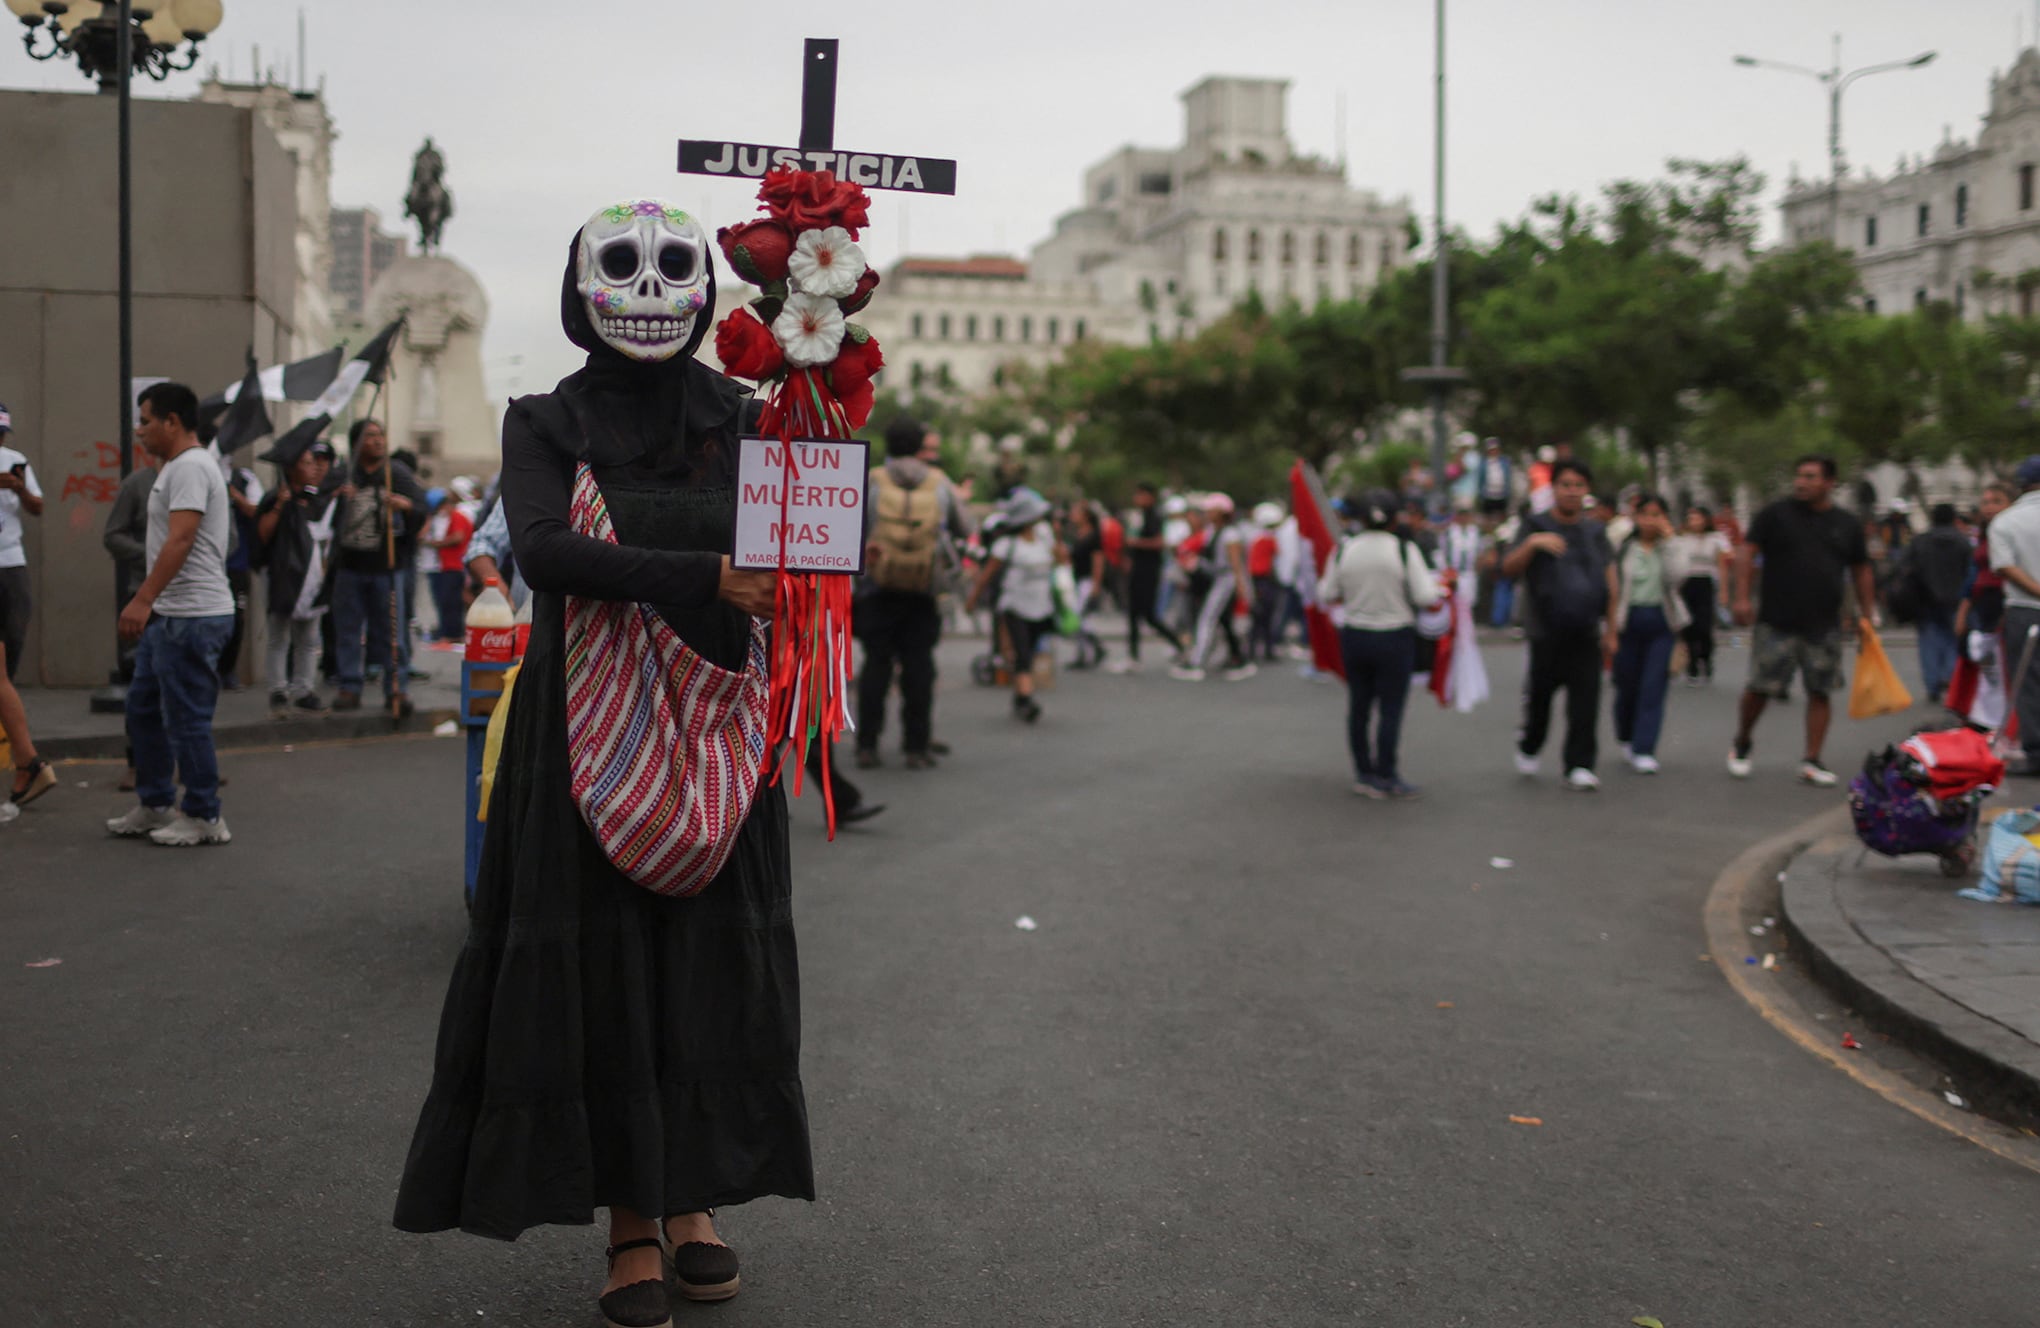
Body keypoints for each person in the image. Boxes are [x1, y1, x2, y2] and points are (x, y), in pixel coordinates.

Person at [394, 202, 810, 1320]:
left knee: (708, 970)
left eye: (673, 264)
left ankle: (696, 1205)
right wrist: (705, 577)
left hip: (721, 716)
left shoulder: (749, 415)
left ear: (704, 290)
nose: (648, 285)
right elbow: (542, 552)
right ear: (583, 286)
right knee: (607, 972)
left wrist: (821, 349)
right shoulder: (545, 420)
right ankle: (631, 1222)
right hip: (585, 722)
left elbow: (806, 538)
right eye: (621, 263)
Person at [106, 381, 236, 846]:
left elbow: (180, 539)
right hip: (172, 616)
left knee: (186, 720)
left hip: (194, 617)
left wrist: (142, 598)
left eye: (145, 421)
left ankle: (204, 815)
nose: (139, 431)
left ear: (172, 423)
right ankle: (156, 802)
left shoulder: (190, 467)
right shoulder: (180, 467)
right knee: (143, 710)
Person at [1729, 455, 1877, 786]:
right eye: (1799, 476)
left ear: (1829, 483)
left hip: (1824, 623)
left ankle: (1811, 759)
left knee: (1820, 691)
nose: (1801, 483)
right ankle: (1742, 742)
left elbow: (1861, 570)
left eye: (1810, 477)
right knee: (1760, 688)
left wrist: (1868, 614)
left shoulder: (1846, 524)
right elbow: (1747, 551)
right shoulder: (1775, 515)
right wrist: (1740, 597)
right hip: (1777, 619)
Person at [856, 414, 966, 768]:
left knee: (876, 666)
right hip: (922, 591)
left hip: (877, 588)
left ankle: (867, 745)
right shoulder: (939, 483)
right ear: (920, 446)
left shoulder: (871, 479)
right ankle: (915, 747)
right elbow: (966, 527)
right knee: (919, 668)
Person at [1500, 459, 1617, 791]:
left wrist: (1612, 628)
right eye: (1565, 484)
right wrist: (1532, 544)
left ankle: (1579, 765)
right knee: (1540, 699)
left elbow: (1611, 579)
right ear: (1553, 488)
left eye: (1578, 485)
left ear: (1587, 491)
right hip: (1545, 631)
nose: (1572, 491)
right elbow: (1508, 568)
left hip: (1586, 630)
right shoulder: (1534, 523)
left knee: (1586, 701)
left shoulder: (1596, 531)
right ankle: (1530, 744)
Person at [1318, 488, 1441, 799]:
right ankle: (1387, 773)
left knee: (1359, 706)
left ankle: (1364, 772)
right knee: (1391, 708)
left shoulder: (1345, 549)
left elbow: (1327, 593)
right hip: (1394, 635)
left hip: (1355, 634)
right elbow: (1426, 596)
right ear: (1394, 517)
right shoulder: (1403, 549)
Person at [330, 418, 425, 715]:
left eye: (380, 435)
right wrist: (336, 500)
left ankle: (397, 687)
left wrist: (405, 506)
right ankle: (349, 685)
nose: (378, 441)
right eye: (370, 436)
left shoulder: (395, 473)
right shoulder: (343, 475)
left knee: (392, 632)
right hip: (349, 567)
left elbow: (421, 507)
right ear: (357, 442)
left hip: (388, 567)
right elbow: (319, 511)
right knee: (348, 629)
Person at [254, 435, 338, 718]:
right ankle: (278, 689)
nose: (313, 466)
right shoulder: (275, 498)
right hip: (283, 577)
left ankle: (304, 689)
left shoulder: (316, 499)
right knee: (280, 635)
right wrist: (280, 505)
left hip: (312, 578)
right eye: (306, 462)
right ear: (291, 468)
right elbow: (262, 534)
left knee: (309, 638)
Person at [1608, 494, 1688, 775]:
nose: (1651, 521)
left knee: (1652, 686)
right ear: (1636, 517)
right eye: (1646, 514)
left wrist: (1669, 544)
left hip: (1660, 622)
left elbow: (1678, 578)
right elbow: (1612, 585)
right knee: (1627, 685)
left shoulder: (1673, 546)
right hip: (1627, 622)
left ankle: (1645, 748)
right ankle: (1627, 735)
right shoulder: (1622, 547)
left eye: (1657, 515)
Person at [967, 487, 1061, 723]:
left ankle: (1020, 695)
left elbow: (1059, 562)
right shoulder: (1006, 545)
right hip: (1015, 604)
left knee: (1029, 652)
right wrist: (973, 599)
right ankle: (1026, 700)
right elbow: (987, 575)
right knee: (1022, 651)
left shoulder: (1044, 539)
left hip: (1042, 605)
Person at [1990, 458, 2040, 772]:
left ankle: (2036, 752)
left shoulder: (2006, 521)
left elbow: (2005, 567)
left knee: (2030, 683)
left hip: (2025, 611)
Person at [1175, 493, 1256, 682]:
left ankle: (1197, 662)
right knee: (1224, 622)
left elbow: (1236, 565)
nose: (1208, 514)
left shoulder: (1231, 534)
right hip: (1217, 578)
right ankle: (1239, 659)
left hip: (1225, 581)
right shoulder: (1212, 532)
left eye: (1212, 510)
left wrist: (1241, 588)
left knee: (1207, 618)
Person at [1108, 481, 1186, 672]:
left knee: (1148, 615)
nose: (1137, 498)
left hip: (1148, 571)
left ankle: (1178, 644)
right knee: (1134, 614)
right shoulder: (1140, 516)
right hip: (1138, 570)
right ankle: (1134, 656)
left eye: (1140, 494)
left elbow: (1159, 543)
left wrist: (1135, 543)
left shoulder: (1155, 516)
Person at [1905, 503, 1973, 704]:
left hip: (1925, 599)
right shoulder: (1963, 542)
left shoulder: (1920, 541)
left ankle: (1932, 682)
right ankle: (1949, 677)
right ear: (1954, 518)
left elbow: (1906, 569)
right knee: (1953, 641)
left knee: (1929, 641)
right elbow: (1969, 572)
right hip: (1955, 599)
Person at [0, 401, 43, 680]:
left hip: (10, 557)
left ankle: (6, 686)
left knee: (15, 629)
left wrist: (19, 488)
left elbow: (37, 507)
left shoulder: (15, 461)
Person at [1670, 506, 1731, 685]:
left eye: (1698, 518)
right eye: (1691, 518)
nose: (1694, 522)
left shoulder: (1716, 539)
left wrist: (1724, 591)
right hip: (1686, 583)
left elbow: (1722, 566)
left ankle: (1706, 658)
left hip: (1705, 582)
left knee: (1704, 625)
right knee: (1688, 626)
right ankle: (1692, 666)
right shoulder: (1682, 539)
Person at [422, 488, 476, 642]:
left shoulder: (457, 517)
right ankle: (448, 631)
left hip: (454, 565)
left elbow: (458, 537)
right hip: (447, 565)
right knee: (446, 601)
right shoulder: (450, 518)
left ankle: (452, 634)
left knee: (450, 602)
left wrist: (436, 544)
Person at [1062, 499, 1109, 669]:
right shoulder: (1076, 534)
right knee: (1078, 619)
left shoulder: (1094, 535)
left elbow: (1098, 560)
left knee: (1080, 618)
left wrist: (1096, 584)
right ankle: (1083, 652)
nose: (1073, 515)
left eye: (1077, 512)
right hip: (1076, 579)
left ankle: (1092, 650)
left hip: (1087, 581)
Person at [1476, 438, 1513, 518]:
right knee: (1488, 516)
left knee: (1501, 515)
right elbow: (1481, 479)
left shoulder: (1504, 462)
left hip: (1502, 494)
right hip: (1488, 495)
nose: (1494, 452)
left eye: (1495, 449)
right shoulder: (1484, 463)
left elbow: (1507, 477)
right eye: (1491, 450)